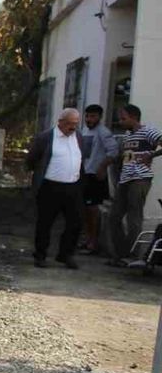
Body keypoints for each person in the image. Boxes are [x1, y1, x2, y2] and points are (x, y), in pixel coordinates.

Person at [26, 108, 90, 269]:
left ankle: (66, 254)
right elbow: (32, 159)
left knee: (75, 222)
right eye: (70, 124)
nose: (73, 127)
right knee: (45, 223)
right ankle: (40, 255)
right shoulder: (46, 137)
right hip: (50, 186)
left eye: (76, 123)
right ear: (60, 122)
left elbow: (82, 159)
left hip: (73, 186)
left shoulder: (79, 137)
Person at [108, 104, 162, 266]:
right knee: (114, 217)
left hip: (140, 179)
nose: (121, 121)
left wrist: (151, 154)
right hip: (125, 179)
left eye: (124, 118)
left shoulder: (148, 131)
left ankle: (133, 255)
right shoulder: (127, 136)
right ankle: (121, 253)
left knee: (134, 217)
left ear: (134, 117)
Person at [78, 104, 117, 254]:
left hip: (95, 176)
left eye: (93, 116)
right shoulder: (85, 130)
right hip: (84, 174)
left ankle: (93, 243)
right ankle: (87, 239)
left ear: (100, 117)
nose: (89, 119)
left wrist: (102, 168)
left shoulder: (103, 132)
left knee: (93, 210)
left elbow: (113, 151)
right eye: (87, 116)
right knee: (85, 210)